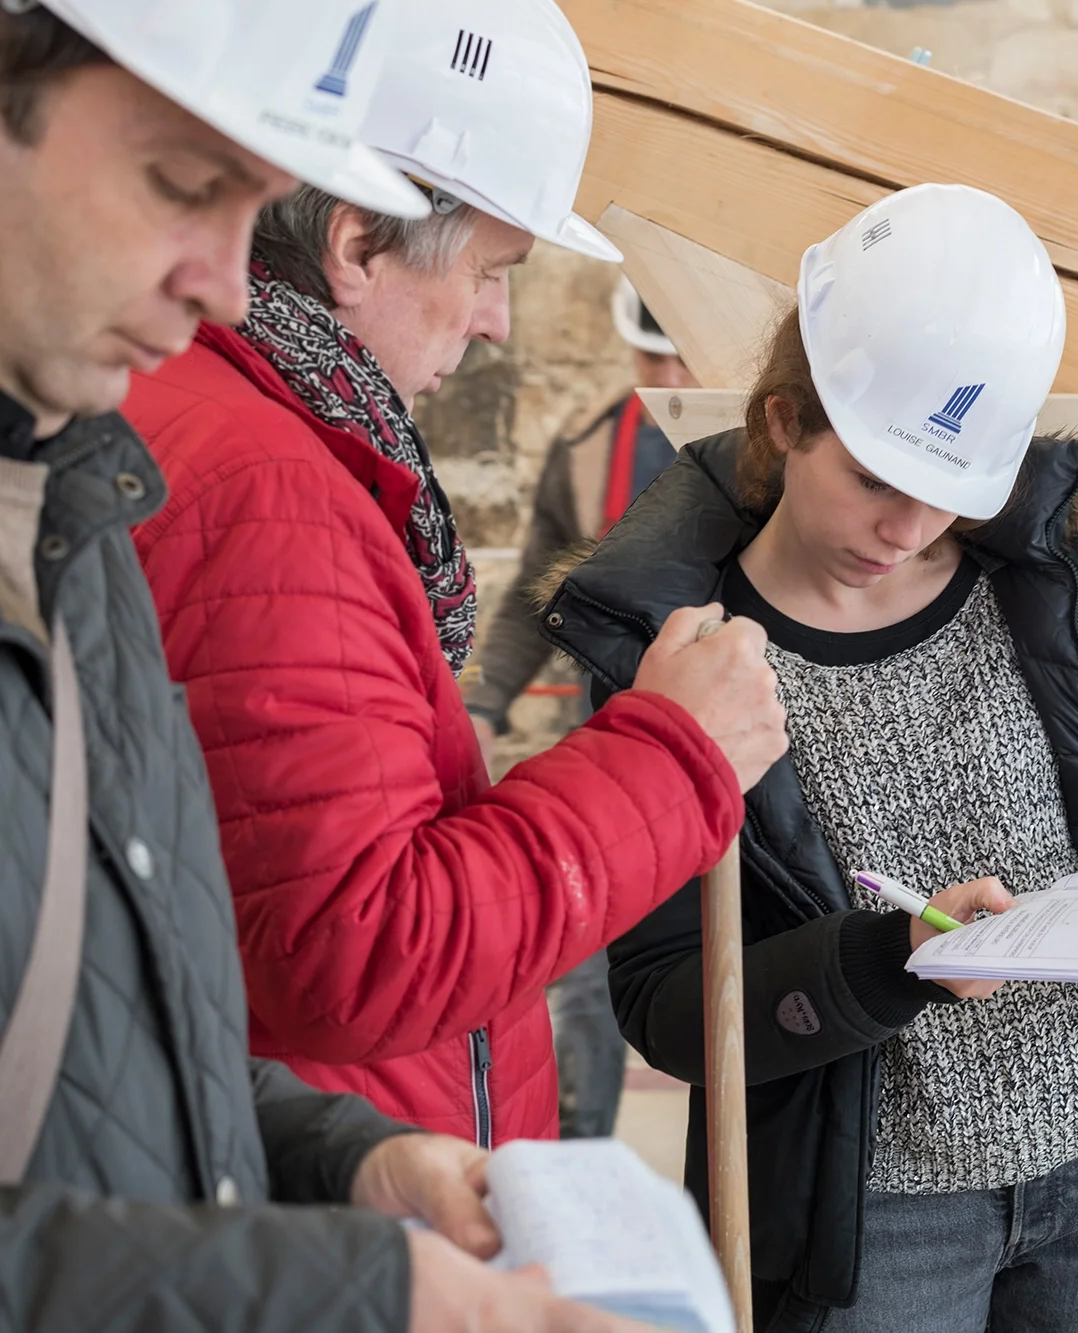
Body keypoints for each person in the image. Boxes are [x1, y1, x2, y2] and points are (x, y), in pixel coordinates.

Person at [0, 1, 652, 1328]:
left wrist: (334, 1159)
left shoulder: (76, 492)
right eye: (180, 184)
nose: (231, 288)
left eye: (253, 206)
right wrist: (328, 1286)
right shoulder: (151, 477)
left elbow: (113, 1017)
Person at [537, 184, 1078, 1332]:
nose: (907, 526)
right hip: (869, 1211)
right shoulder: (677, 648)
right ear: (787, 420)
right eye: (877, 478)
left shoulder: (1061, 577)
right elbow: (666, 1007)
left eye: (947, 493)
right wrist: (889, 959)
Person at [121, 0, 785, 1150]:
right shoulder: (273, 492)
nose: (497, 324)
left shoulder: (210, 413)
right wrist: (676, 755)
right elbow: (365, 950)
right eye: (490, 268)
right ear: (358, 243)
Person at [467, 278, 696, 1139]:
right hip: (614, 752)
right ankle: (586, 1167)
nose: (669, 370)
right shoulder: (588, 449)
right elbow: (538, 595)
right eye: (652, 353)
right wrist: (485, 702)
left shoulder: (767, 450)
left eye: (681, 353)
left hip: (745, 758)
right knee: (589, 974)